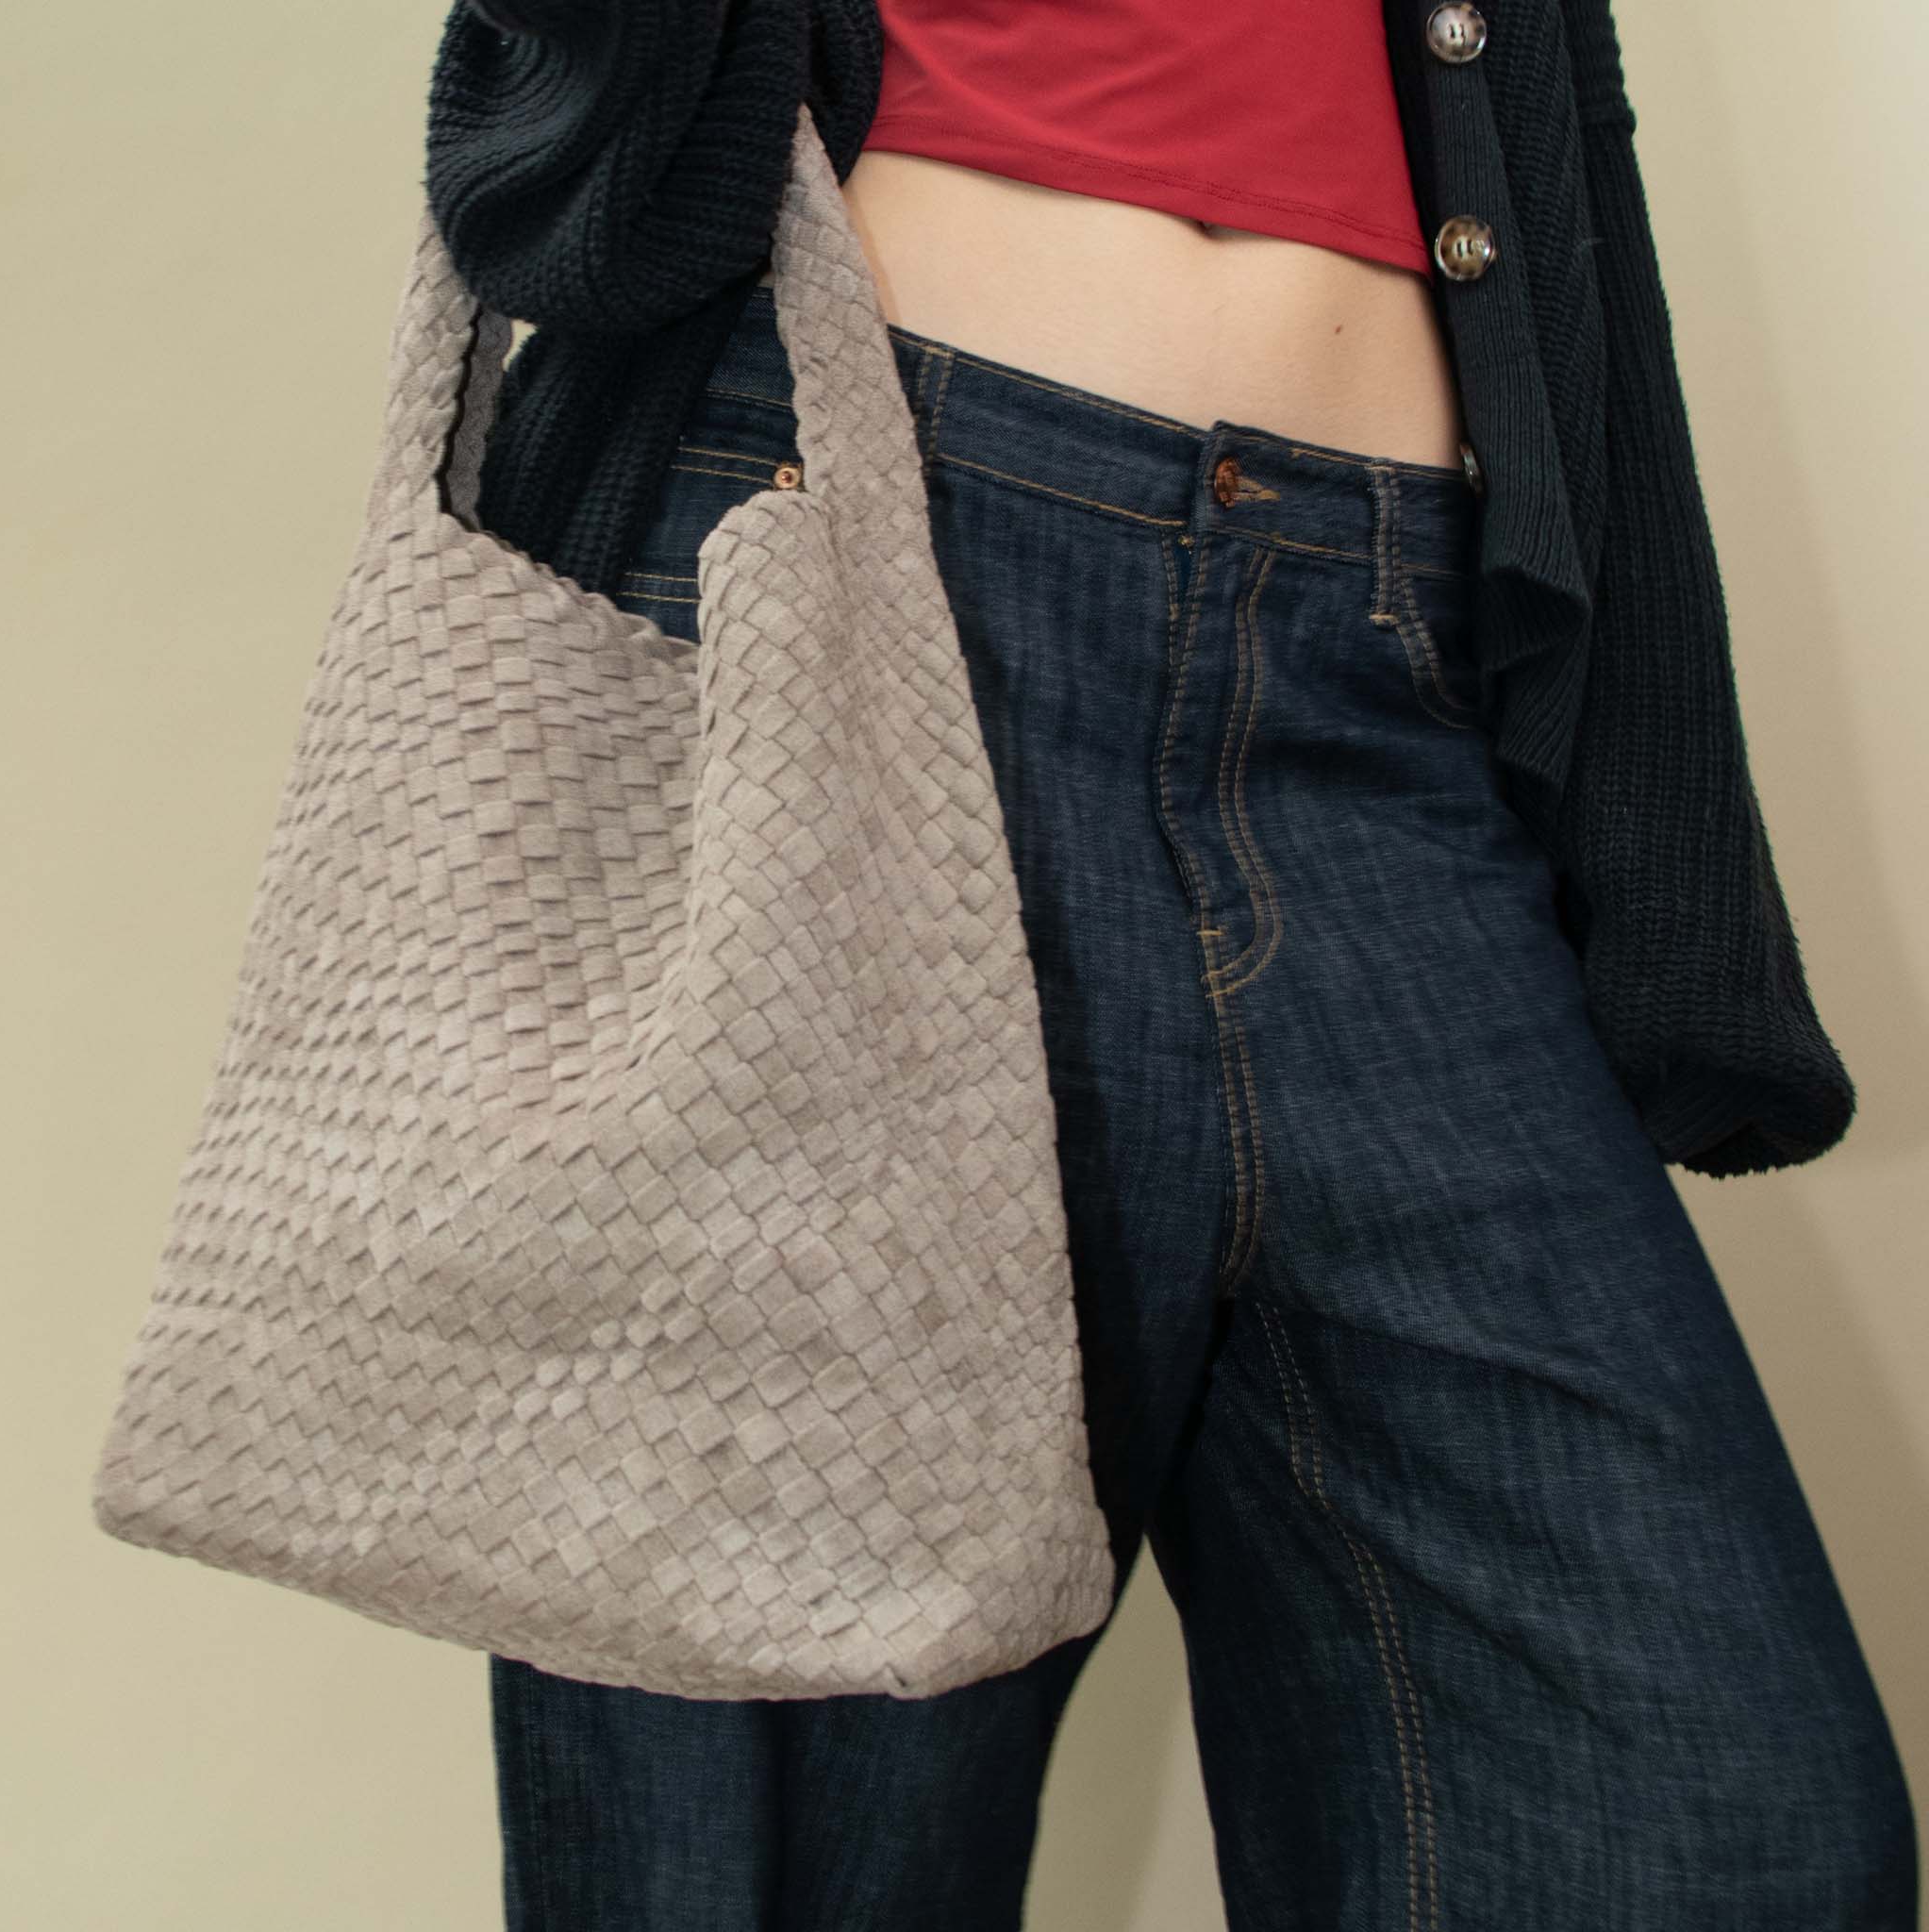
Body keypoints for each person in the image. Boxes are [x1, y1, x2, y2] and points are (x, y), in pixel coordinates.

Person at [436, 3, 1919, 1926]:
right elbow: (575, 198)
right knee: (775, 1845)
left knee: (1708, 1830)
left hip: (1386, 660)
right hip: (861, 597)